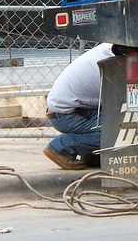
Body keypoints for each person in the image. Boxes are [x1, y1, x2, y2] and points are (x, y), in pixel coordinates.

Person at [43, 42, 115, 170]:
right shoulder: (115, 58)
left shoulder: (109, 48)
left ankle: (90, 155)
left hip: (70, 110)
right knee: (123, 128)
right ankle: (61, 146)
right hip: (67, 116)